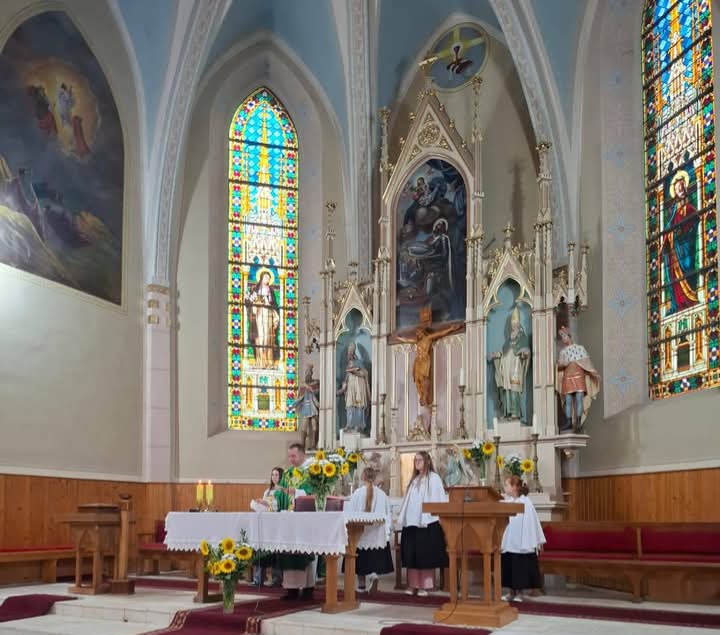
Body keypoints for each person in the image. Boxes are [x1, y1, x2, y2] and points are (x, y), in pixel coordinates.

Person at [397, 451, 449, 596]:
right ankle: (413, 585)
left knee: (424, 555)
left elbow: (439, 499)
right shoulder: (414, 480)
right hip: (411, 523)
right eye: (415, 460)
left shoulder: (434, 478)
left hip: (427, 522)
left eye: (420, 460)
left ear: (427, 461)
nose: (417, 462)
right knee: (412, 554)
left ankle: (425, 586)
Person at [274, 443, 316, 600]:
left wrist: (296, 491)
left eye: (294, 456)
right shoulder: (288, 474)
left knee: (305, 551)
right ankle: (291, 588)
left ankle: (308, 588)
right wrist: (272, 501)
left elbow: (315, 492)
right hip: (290, 518)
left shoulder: (312, 472)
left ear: (303, 455)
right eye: (289, 456)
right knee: (289, 551)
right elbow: (280, 493)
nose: (291, 459)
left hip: (306, 518)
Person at [344, 467, 394, 594]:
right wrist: (387, 533)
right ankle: (373, 574)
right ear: (375, 478)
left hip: (360, 534)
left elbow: (350, 514)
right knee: (373, 557)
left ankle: (361, 585)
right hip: (377, 535)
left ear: (362, 477)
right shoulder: (382, 495)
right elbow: (388, 515)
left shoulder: (357, 493)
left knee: (360, 558)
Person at [500, 474, 545, 602]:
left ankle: (520, 593)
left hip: (522, 541)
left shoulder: (526, 502)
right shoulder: (508, 501)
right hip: (510, 541)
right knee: (509, 565)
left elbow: (531, 522)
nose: (504, 487)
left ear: (514, 487)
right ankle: (511, 592)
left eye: (506, 485)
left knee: (520, 567)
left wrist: (533, 541)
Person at [555, 326, 601, 432]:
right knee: (568, 400)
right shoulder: (563, 352)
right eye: (562, 337)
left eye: (564, 336)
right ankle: (569, 422)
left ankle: (579, 422)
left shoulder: (580, 348)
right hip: (568, 376)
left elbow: (586, 362)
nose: (563, 339)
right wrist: (562, 364)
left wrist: (593, 372)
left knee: (579, 398)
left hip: (579, 376)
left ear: (569, 336)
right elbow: (560, 365)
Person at [490, 306, 531, 421]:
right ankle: (507, 412)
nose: (514, 325)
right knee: (506, 389)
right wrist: (497, 355)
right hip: (506, 365)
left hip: (515, 365)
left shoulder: (522, 335)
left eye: (515, 323)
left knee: (514, 388)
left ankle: (515, 412)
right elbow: (504, 351)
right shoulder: (509, 338)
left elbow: (526, 349)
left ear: (519, 323)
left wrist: (525, 352)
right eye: (512, 323)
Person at [249, 467, 283, 587]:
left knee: (275, 551)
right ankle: (258, 578)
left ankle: (276, 579)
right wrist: (260, 503)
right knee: (260, 549)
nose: (274, 477)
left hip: (276, 524)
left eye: (277, 475)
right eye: (273, 474)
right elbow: (265, 505)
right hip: (265, 523)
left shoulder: (282, 491)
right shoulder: (267, 491)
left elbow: (279, 506)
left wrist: (267, 504)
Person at [246, 271, 280, 368]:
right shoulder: (255, 289)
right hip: (259, 316)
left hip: (268, 316)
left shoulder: (271, 291)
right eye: (265, 277)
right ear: (261, 278)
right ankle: (260, 361)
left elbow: (274, 305)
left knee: (267, 338)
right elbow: (249, 303)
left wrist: (268, 303)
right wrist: (254, 304)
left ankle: (269, 362)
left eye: (268, 278)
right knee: (260, 338)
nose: (267, 279)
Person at [337, 342, 371, 433]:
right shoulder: (348, 365)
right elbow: (347, 377)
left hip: (358, 386)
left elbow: (364, 373)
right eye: (348, 352)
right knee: (350, 404)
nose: (349, 354)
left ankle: (359, 425)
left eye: (351, 352)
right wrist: (343, 387)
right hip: (350, 387)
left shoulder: (358, 362)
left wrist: (356, 372)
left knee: (359, 404)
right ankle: (349, 425)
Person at [295, 365, 320, 450]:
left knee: (315, 426)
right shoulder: (303, 385)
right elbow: (299, 396)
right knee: (304, 426)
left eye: (309, 372)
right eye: (306, 372)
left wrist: (309, 387)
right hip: (306, 407)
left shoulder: (315, 383)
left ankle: (314, 444)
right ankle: (302, 445)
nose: (308, 374)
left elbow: (316, 392)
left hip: (313, 407)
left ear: (311, 373)